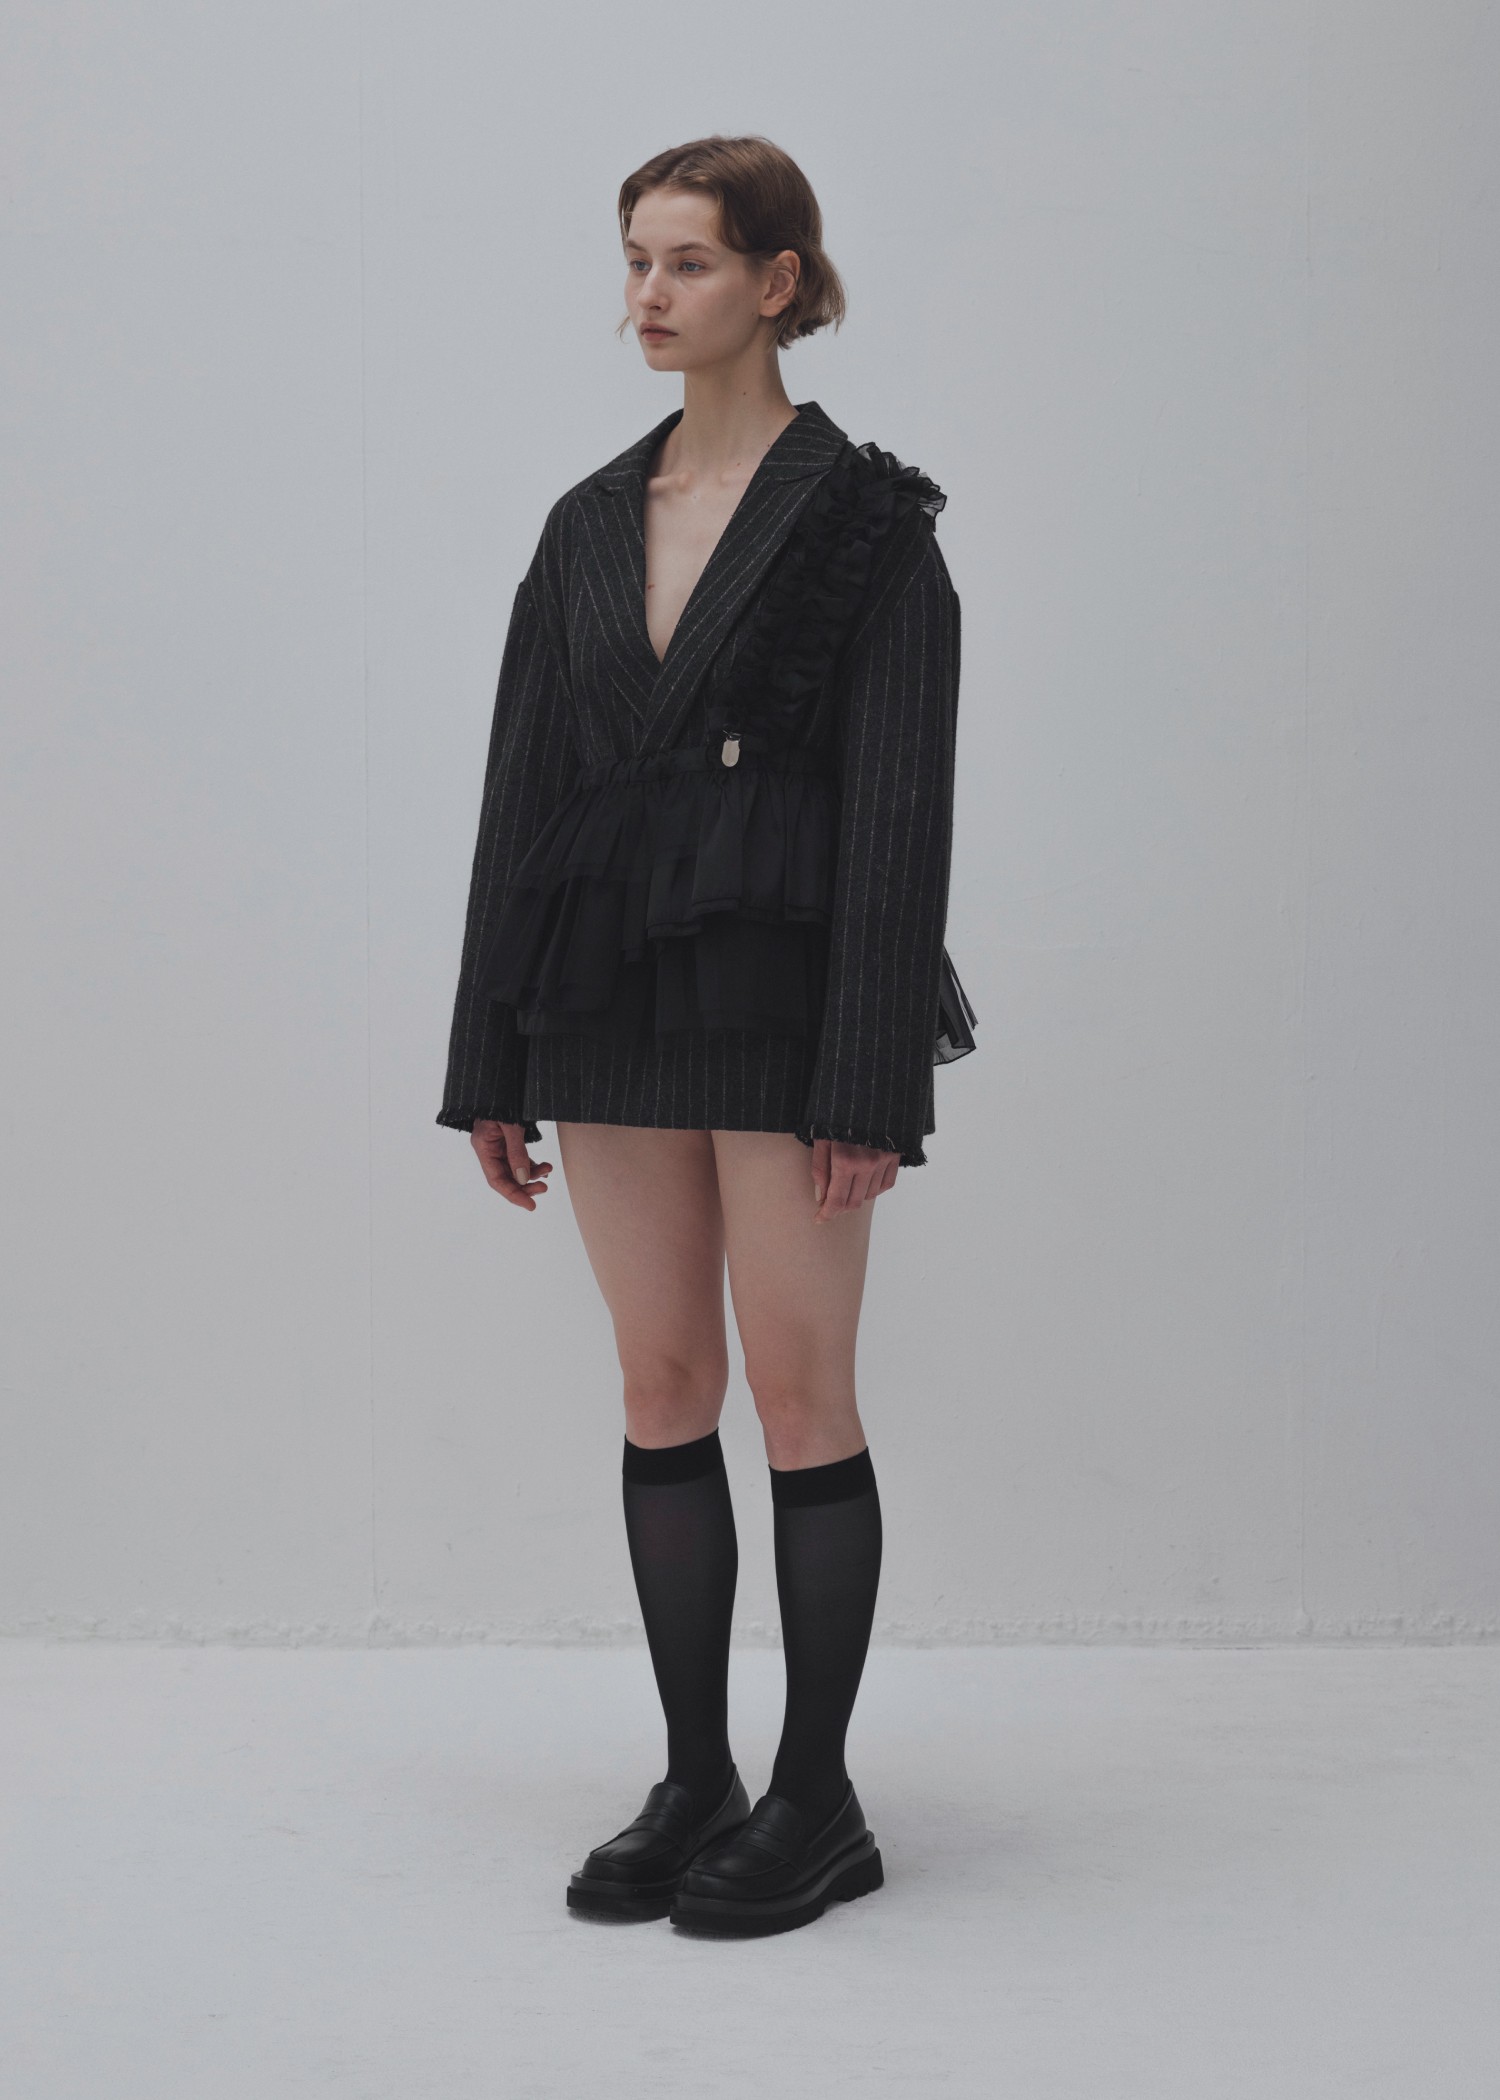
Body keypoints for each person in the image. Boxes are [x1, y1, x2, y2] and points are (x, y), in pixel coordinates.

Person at [436, 134, 974, 1937]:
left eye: (686, 262)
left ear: (778, 281)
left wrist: (871, 1079)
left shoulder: (868, 528)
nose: (648, 296)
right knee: (662, 1386)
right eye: (636, 261)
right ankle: (697, 1775)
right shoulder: (588, 521)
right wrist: (487, 1060)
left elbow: (899, 817)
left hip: (786, 1001)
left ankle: (818, 1798)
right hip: (602, 995)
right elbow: (520, 799)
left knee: (803, 1395)